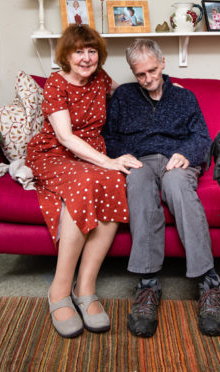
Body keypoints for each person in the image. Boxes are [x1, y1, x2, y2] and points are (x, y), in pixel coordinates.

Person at [102, 39, 220, 338]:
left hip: (177, 160)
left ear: (163, 63)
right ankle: (147, 285)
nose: (147, 79)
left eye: (152, 70)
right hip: (140, 160)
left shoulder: (185, 98)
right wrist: (122, 156)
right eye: (140, 74)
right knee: (139, 183)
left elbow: (202, 138)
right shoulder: (123, 97)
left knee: (178, 187)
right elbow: (109, 136)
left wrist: (187, 154)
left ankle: (209, 284)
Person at [26, 25, 142, 338]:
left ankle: (85, 287)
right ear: (65, 54)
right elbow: (64, 137)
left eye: (91, 51)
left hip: (91, 153)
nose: (86, 58)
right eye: (79, 51)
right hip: (55, 152)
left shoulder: (100, 78)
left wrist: (168, 88)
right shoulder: (55, 83)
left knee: (115, 181)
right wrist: (108, 161)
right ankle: (59, 290)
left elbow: (126, 94)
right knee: (91, 179)